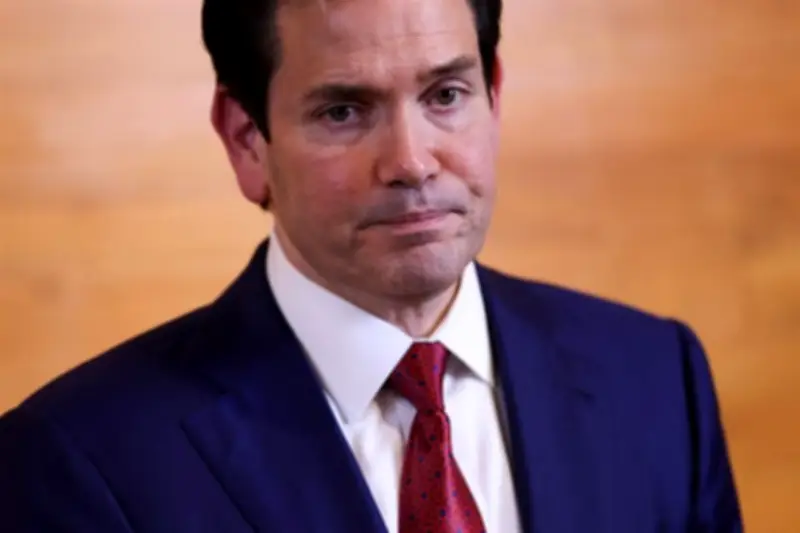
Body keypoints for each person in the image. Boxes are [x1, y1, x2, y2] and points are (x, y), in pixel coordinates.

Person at [0, 0, 743, 531]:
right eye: (343, 112)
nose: (411, 161)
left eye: (445, 95)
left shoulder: (657, 378)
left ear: (494, 96)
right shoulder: (76, 461)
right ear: (246, 139)